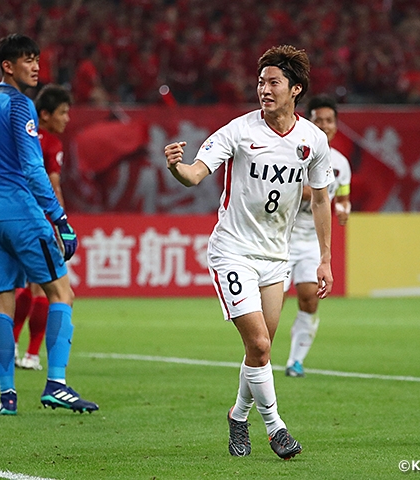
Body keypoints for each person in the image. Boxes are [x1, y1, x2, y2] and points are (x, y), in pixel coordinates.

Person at [164, 45, 335, 460]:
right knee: (259, 344)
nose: (264, 89)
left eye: (273, 82)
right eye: (260, 82)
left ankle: (238, 416)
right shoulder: (238, 131)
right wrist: (176, 167)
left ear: (295, 89)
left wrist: (325, 258)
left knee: (259, 351)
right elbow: (195, 175)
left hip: (276, 257)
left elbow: (320, 200)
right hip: (234, 251)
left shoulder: (312, 140)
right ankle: (276, 428)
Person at [0, 34, 98, 415]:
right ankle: (56, 384)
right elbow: (31, 168)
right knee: (62, 292)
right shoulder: (20, 105)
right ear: (8, 66)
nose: (36, 66)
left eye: (37, 59)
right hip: (21, 214)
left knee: (1, 302)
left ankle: (7, 396)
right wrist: (59, 219)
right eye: (27, 60)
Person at [284, 95, 352, 378]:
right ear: (308, 121)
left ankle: (295, 361)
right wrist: (323, 196)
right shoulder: (293, 152)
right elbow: (297, 190)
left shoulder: (340, 163)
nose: (324, 125)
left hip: (312, 240)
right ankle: (257, 355)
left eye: (329, 120)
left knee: (310, 298)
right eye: (318, 120)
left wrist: (345, 209)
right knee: (269, 303)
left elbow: (345, 196)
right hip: (281, 237)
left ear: (336, 126)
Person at [13, 84, 72, 371]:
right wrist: (61, 221)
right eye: (62, 113)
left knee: (26, 283)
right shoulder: (51, 143)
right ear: (45, 115)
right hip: (40, 219)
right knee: (47, 289)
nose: (67, 119)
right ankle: (32, 354)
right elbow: (53, 183)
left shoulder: (22, 136)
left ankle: (11, 343)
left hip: (13, 215)